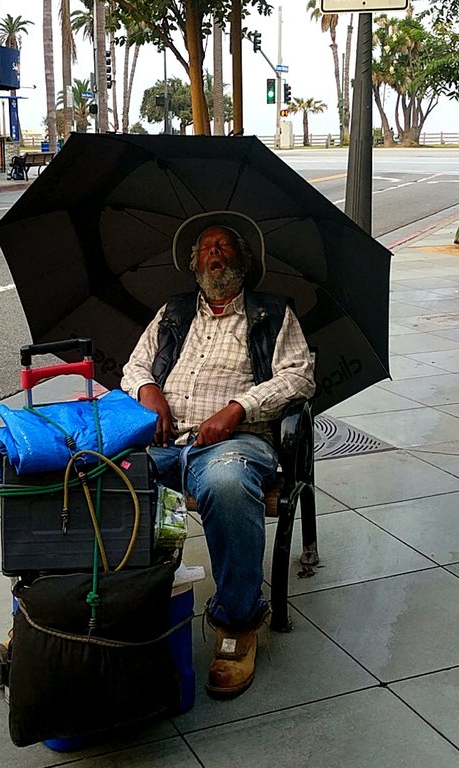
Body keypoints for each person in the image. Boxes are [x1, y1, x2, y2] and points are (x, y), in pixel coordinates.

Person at [121, 211, 315, 699]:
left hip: (236, 443)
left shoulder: (272, 313)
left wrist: (238, 408)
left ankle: (237, 621)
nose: (215, 253)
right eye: (207, 247)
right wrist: (148, 391)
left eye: (225, 246)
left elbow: (299, 377)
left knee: (227, 485)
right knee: (108, 476)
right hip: (167, 441)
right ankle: (121, 603)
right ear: (194, 265)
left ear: (243, 263)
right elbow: (135, 364)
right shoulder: (173, 313)